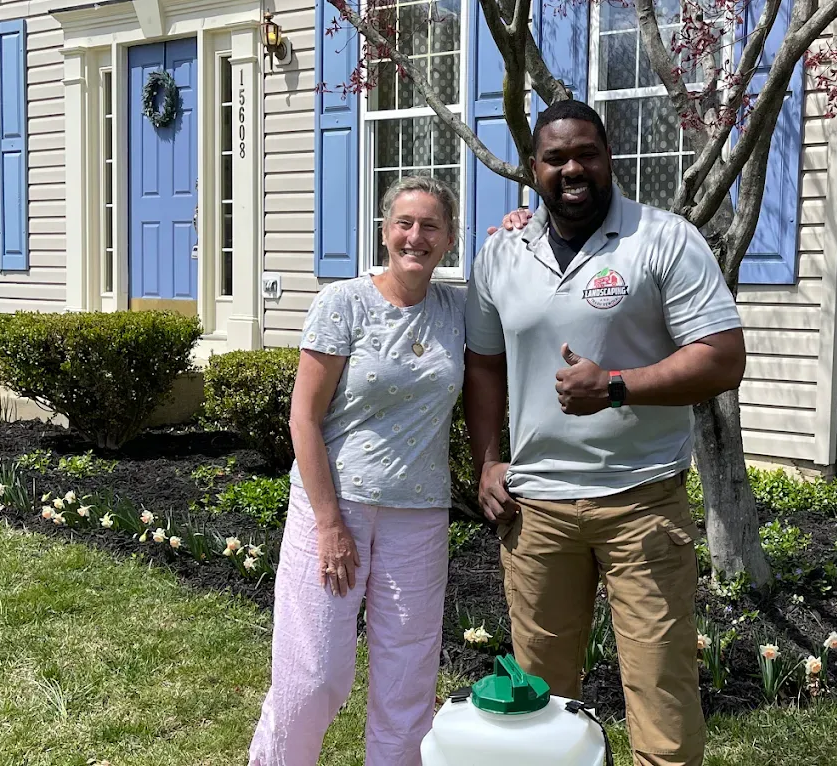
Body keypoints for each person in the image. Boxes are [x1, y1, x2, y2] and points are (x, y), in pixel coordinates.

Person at [463, 99, 746, 766]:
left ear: (609, 157)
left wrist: (615, 385)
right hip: (536, 513)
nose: (572, 168)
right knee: (539, 698)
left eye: (586, 152)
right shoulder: (502, 252)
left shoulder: (664, 238)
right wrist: (487, 462)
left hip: (641, 501)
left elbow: (723, 356)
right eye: (555, 157)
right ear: (533, 169)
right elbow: (483, 363)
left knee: (662, 695)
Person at [250, 176, 465, 766]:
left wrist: (519, 232)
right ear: (385, 231)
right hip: (334, 507)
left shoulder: (457, 310)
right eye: (404, 223)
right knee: (313, 672)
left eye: (430, 226)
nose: (415, 236)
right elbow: (303, 418)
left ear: (449, 239)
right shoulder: (343, 303)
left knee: (407, 680)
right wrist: (328, 523)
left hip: (418, 518)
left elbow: (516, 288)